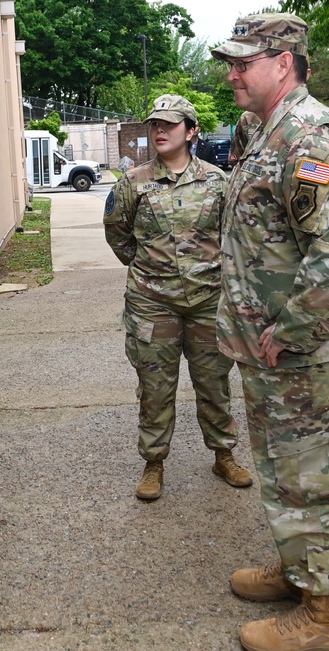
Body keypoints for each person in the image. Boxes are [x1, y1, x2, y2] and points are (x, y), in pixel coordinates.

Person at [211, 14, 329, 651]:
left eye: (243, 62)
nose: (231, 73)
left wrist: (295, 330)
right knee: (282, 471)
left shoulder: (310, 135)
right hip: (269, 348)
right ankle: (301, 571)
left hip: (303, 352)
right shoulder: (262, 129)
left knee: (316, 481)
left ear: (284, 62)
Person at [103, 94, 253, 501]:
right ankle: (154, 463)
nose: (160, 131)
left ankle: (224, 455)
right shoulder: (133, 182)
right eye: (155, 124)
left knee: (214, 383)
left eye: (170, 124)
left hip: (208, 301)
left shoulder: (218, 182)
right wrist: (150, 269)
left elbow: (233, 235)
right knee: (154, 387)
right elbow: (117, 233)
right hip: (154, 302)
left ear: (192, 131)